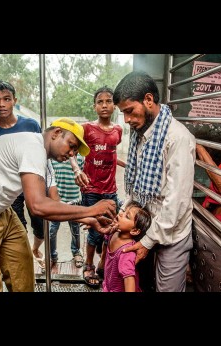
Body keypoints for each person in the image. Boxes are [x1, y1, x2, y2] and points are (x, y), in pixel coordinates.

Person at [0, 117, 117, 292]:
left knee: (22, 268)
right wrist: (93, 209)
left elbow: (52, 204)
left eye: (75, 151)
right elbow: (38, 206)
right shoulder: (33, 147)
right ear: (56, 133)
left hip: (0, 211)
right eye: (71, 146)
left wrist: (89, 217)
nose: (72, 154)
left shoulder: (41, 153)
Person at [113, 71, 196, 292]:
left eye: (129, 111)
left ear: (148, 100)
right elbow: (137, 186)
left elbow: (176, 202)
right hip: (144, 228)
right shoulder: (140, 134)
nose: (127, 119)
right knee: (145, 285)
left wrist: (148, 241)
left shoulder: (177, 138)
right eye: (123, 113)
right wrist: (122, 212)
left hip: (170, 235)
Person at [0, 80, 51, 272]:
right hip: (9, 189)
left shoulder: (30, 125)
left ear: (14, 101)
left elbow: (42, 154)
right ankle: (26, 258)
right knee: (17, 227)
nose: (1, 104)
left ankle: (36, 249)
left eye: (6, 99)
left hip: (33, 184)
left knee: (40, 223)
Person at [70, 86, 126, 289]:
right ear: (94, 106)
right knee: (94, 231)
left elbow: (110, 154)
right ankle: (88, 265)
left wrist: (126, 165)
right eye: (100, 102)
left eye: (108, 101)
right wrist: (77, 169)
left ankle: (103, 264)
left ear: (114, 105)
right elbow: (71, 151)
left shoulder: (118, 131)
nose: (104, 105)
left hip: (110, 189)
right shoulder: (86, 129)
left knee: (109, 230)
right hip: (91, 189)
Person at [102, 201, 151, 292]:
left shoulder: (126, 252)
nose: (120, 214)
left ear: (135, 230)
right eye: (123, 211)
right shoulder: (114, 232)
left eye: (127, 216)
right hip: (109, 284)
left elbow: (129, 279)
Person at [49, 154, 85, 267]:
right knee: (52, 232)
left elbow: (82, 178)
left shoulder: (80, 158)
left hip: (74, 201)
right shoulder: (54, 159)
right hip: (57, 203)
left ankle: (76, 252)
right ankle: (52, 255)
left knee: (75, 230)